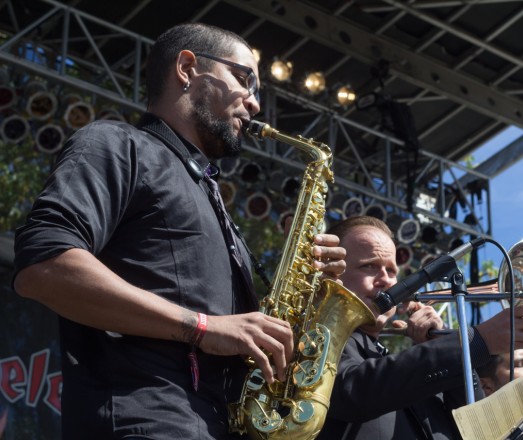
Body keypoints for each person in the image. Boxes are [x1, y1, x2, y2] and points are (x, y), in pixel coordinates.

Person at [12, 23, 346, 439]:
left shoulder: (210, 196)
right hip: (150, 421)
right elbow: (44, 267)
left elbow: (235, 342)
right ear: (187, 67)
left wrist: (309, 300)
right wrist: (203, 327)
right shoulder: (116, 143)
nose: (255, 105)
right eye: (245, 81)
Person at [317, 216, 523, 440]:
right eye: (369, 266)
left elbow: (474, 428)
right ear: (331, 274)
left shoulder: (405, 367)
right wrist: (473, 342)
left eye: (391, 271)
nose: (387, 281)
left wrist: (444, 342)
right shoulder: (318, 335)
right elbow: (353, 390)